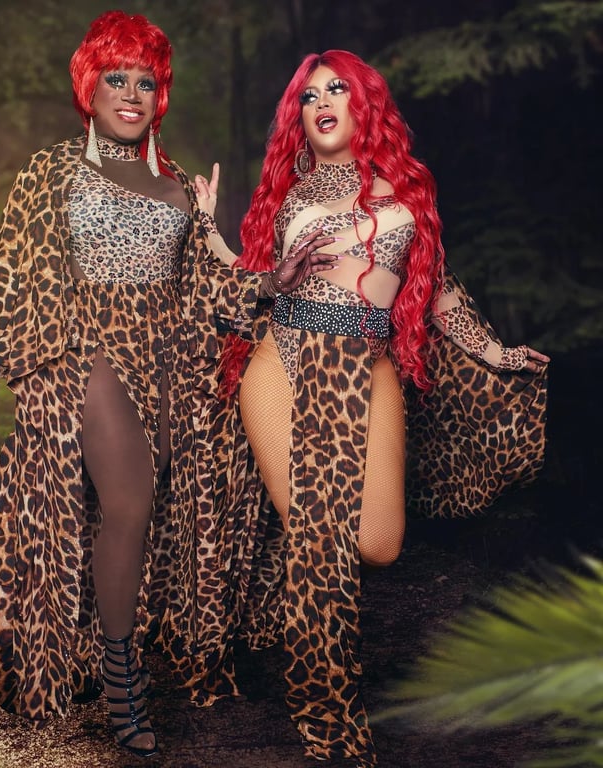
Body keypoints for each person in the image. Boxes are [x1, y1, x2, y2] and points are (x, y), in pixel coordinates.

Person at [0, 12, 338, 759]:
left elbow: (205, 290)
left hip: (168, 356)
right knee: (128, 501)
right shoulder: (51, 170)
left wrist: (269, 281)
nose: (130, 93)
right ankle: (126, 684)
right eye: (115, 78)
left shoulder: (177, 184)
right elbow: (9, 269)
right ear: (89, 89)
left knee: (147, 512)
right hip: (80, 348)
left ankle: (105, 646)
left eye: (145, 81)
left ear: (161, 96)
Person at [194, 50, 549, 765]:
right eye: (309, 95)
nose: (322, 102)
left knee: (377, 543)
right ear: (298, 117)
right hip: (282, 362)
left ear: (364, 105)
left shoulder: (406, 195)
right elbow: (250, 282)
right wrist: (207, 231)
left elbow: (438, 292)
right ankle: (328, 714)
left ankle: (284, 592)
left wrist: (496, 351)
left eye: (337, 89)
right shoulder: (291, 195)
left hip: (367, 365)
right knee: (320, 542)